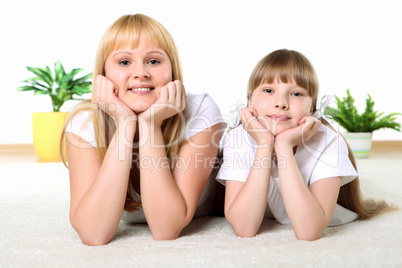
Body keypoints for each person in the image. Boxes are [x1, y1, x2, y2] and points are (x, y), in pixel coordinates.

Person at [60, 14, 226, 246]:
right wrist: (125, 123)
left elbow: (166, 228)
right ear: (104, 75)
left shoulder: (200, 110)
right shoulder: (84, 122)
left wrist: (150, 124)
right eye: (124, 62)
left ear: (172, 71)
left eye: (154, 61)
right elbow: (93, 234)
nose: (141, 73)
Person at [216, 49, 394, 241]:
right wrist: (264, 144)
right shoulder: (237, 138)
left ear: (312, 107)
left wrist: (284, 146)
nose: (281, 103)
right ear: (250, 101)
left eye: (296, 93)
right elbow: (244, 229)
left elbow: (308, 231)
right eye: (268, 91)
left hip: (310, 213)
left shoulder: (328, 141)